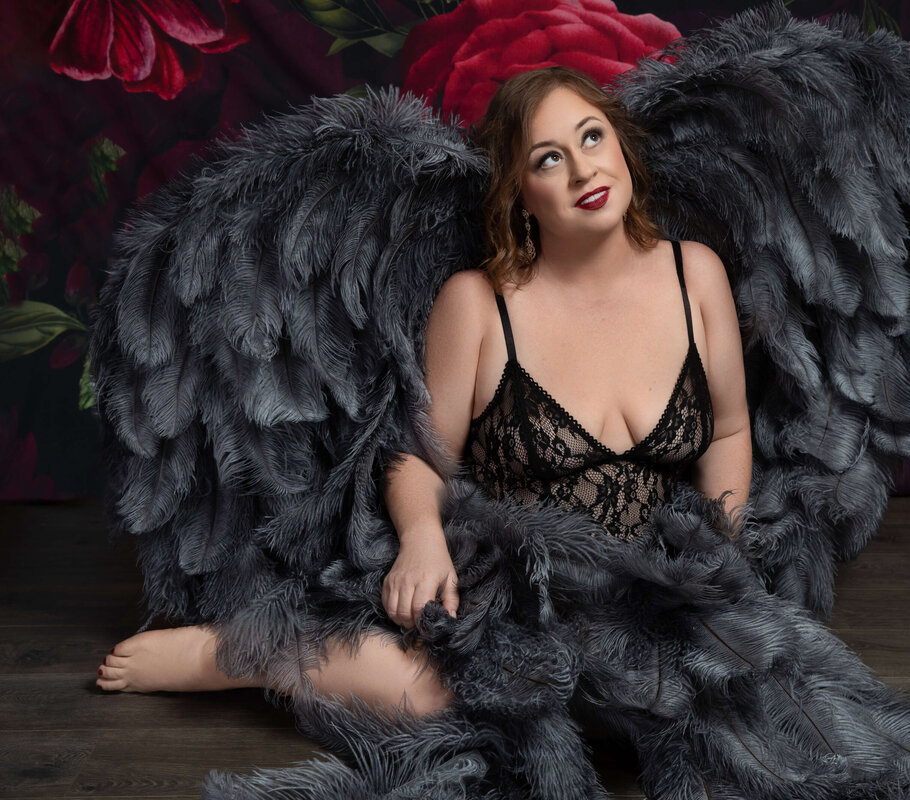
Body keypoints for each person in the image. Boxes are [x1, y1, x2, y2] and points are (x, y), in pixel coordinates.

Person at [96, 66, 749, 722]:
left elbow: (726, 431)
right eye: (549, 159)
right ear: (521, 193)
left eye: (592, 138)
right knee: (455, 699)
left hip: (654, 579)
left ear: (622, 148)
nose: (583, 171)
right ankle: (243, 656)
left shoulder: (694, 274)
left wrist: (721, 547)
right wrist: (422, 539)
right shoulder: (481, 304)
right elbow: (420, 454)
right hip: (524, 583)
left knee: (705, 700)